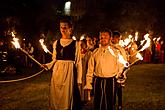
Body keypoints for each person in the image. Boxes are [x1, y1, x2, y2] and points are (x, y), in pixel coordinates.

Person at [42, 17, 82, 110]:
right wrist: (47, 65)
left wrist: (79, 80)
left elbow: (78, 62)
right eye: (61, 27)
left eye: (65, 27)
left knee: (67, 94)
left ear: (70, 29)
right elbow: (55, 59)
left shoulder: (75, 44)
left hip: (69, 72)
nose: (62, 29)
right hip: (58, 72)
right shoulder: (56, 43)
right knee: (56, 93)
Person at [84, 28, 123, 110]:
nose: (103, 39)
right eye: (101, 37)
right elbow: (90, 69)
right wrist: (89, 82)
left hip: (111, 80)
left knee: (110, 103)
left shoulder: (116, 52)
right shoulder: (95, 52)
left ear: (110, 38)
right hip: (98, 80)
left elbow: (120, 66)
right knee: (97, 102)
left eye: (105, 37)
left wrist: (120, 75)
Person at [112, 31, 127, 110]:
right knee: (112, 89)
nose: (114, 39)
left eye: (117, 38)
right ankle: (112, 103)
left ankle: (120, 104)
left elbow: (124, 61)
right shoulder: (109, 47)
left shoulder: (121, 49)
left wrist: (122, 71)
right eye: (113, 37)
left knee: (119, 89)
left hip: (119, 70)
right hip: (111, 70)